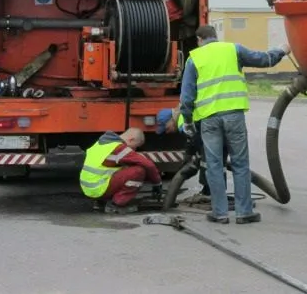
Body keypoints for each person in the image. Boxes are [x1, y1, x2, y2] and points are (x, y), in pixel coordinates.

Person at [179, 25, 290, 224]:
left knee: (214, 165)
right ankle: (244, 212)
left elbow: (186, 98)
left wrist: (187, 122)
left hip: (209, 119)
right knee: (240, 163)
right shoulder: (233, 49)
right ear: (216, 37)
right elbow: (265, 59)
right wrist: (281, 50)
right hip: (234, 116)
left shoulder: (194, 58)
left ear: (199, 40)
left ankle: (219, 213)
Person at [79, 127, 162, 214]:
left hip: (89, 188)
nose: (134, 150)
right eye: (136, 146)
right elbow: (148, 165)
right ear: (131, 140)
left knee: (125, 168)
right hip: (98, 188)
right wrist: (157, 183)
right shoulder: (119, 148)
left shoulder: (102, 143)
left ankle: (100, 202)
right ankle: (116, 204)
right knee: (139, 171)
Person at [156, 106, 229, 200]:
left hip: (213, 136)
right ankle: (215, 194)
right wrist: (190, 154)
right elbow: (191, 139)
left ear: (171, 120)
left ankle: (210, 195)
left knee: (206, 164)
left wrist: (195, 155)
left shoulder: (181, 122)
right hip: (220, 132)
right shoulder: (182, 117)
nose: (167, 131)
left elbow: (194, 139)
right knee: (217, 165)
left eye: (166, 127)